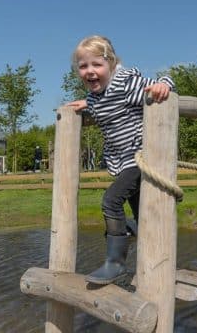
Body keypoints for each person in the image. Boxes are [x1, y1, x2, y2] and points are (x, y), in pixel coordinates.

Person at [67, 35, 175, 285]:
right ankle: (151, 260)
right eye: (83, 66)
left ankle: (115, 264)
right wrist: (87, 103)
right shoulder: (95, 97)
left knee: (111, 201)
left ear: (112, 65)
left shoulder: (126, 84)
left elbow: (165, 82)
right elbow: (100, 103)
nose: (90, 71)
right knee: (142, 213)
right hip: (122, 161)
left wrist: (163, 86)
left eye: (97, 65)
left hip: (141, 158)